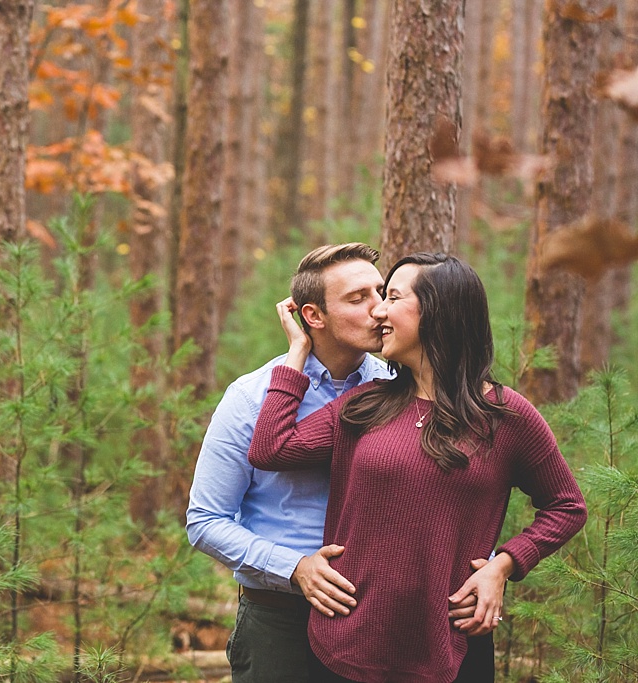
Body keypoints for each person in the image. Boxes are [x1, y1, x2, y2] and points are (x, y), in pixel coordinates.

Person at [250, 252, 587, 683]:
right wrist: (297, 351)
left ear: (439, 312)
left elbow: (567, 506)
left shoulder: (504, 416)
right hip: (346, 644)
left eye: (392, 297)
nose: (379, 310)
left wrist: (502, 566)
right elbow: (271, 449)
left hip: (452, 641)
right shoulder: (364, 404)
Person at [185, 243, 399, 682]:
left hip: (381, 620)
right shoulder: (250, 398)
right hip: (279, 624)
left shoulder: (400, 388)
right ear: (313, 316)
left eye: (381, 292)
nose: (380, 310)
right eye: (358, 299)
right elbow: (205, 520)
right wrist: (294, 567)